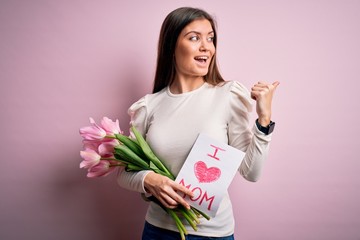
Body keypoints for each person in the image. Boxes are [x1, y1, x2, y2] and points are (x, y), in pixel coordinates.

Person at [117, 7, 279, 240]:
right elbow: (124, 173)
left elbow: (251, 172)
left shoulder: (228, 95)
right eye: (194, 38)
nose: (206, 47)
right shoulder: (148, 106)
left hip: (213, 234)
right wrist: (149, 179)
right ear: (171, 46)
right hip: (157, 231)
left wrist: (264, 120)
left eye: (210, 39)